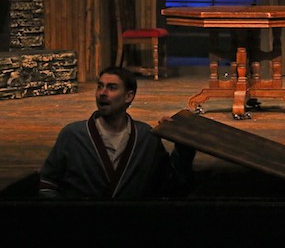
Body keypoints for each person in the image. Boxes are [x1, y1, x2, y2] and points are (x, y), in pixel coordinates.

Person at [38, 66, 195, 199]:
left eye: (111, 88)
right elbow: (48, 183)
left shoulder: (145, 137)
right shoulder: (73, 135)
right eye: (100, 86)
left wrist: (183, 143)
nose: (102, 93)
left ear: (129, 96)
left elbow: (169, 183)